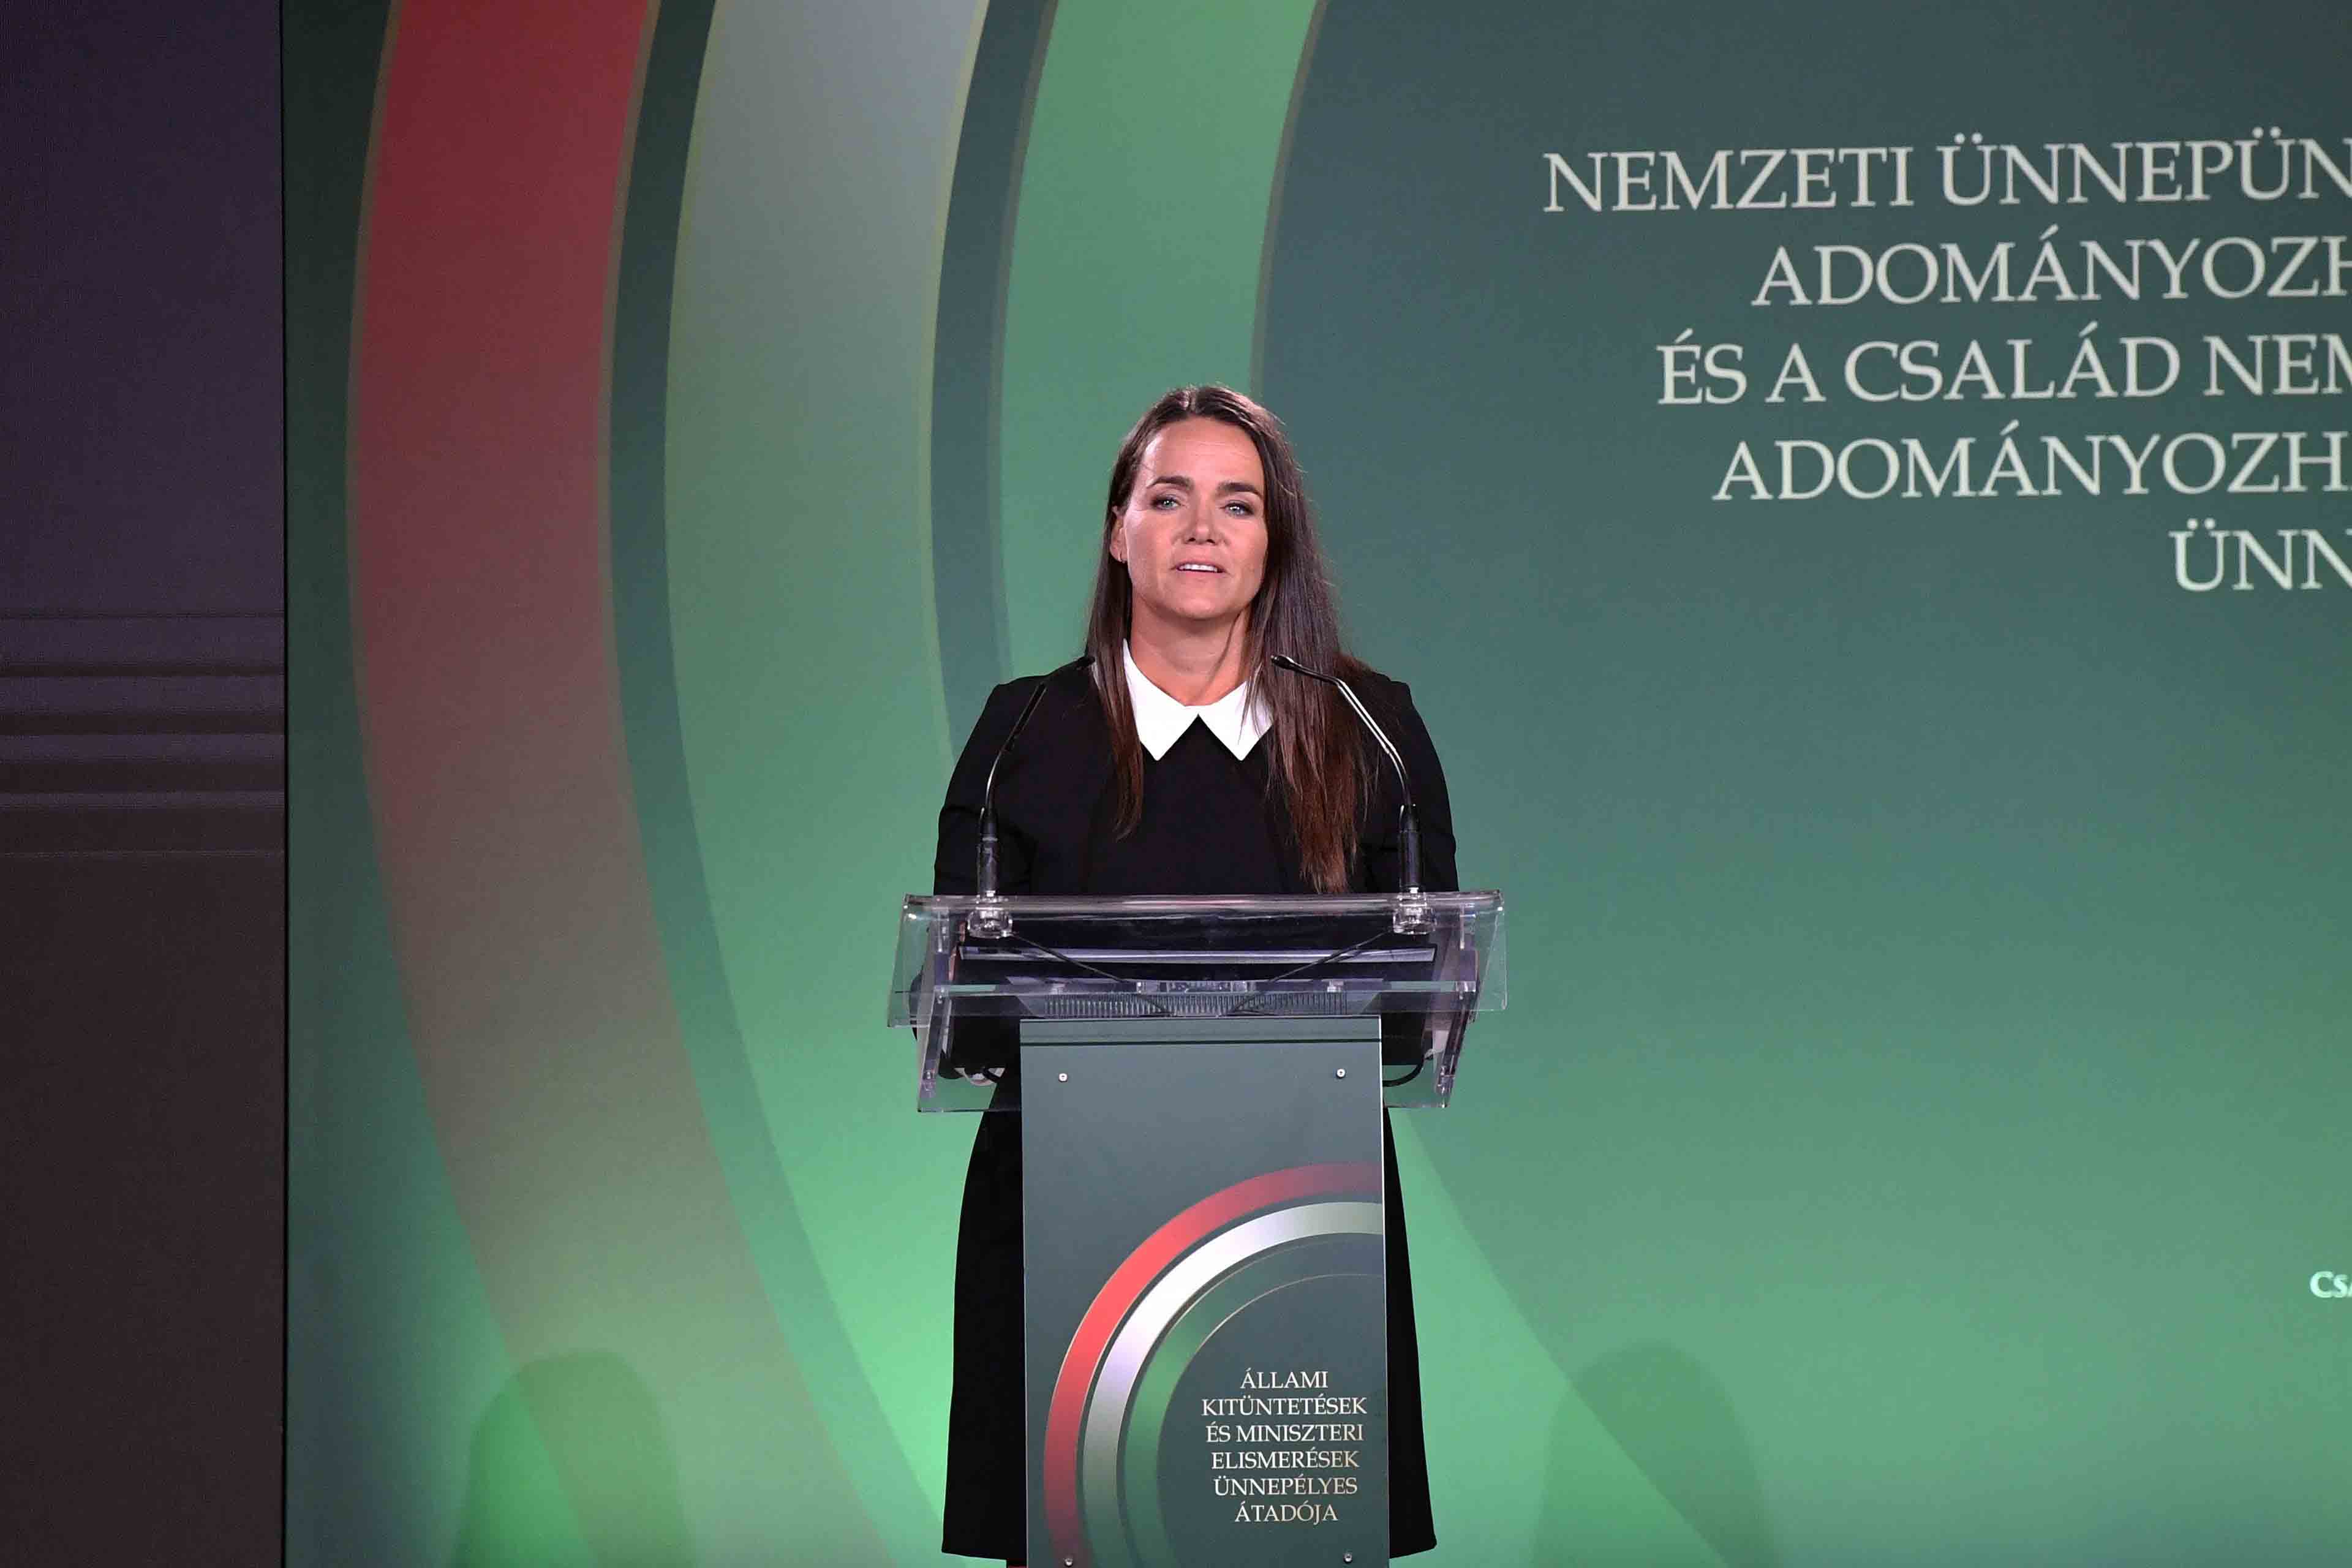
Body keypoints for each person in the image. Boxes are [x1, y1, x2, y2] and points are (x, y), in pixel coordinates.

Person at [932, 384, 1457, 1564]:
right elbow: (970, 1002)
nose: (1203, 529)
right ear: (1119, 531)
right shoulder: (1026, 733)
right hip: (1060, 1198)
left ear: (1276, 542)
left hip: (1301, 1200)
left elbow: (1419, 992)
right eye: (1168, 499)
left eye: (1238, 503)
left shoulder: (1367, 727)